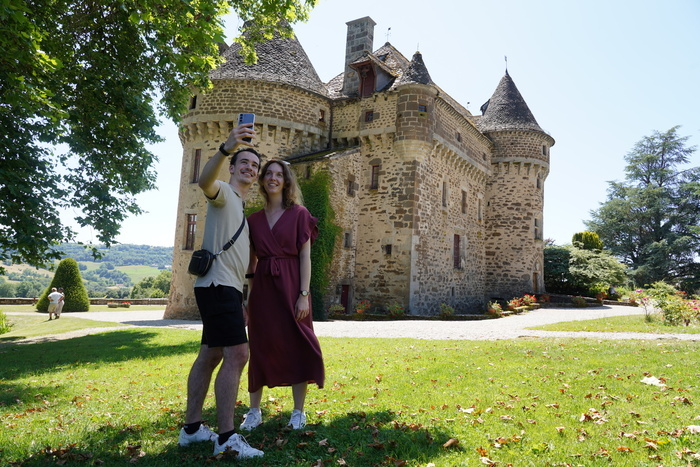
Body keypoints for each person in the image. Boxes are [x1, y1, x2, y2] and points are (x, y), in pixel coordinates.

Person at [177, 122, 264, 459]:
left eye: (255, 166)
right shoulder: (224, 194)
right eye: (244, 163)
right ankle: (226, 437)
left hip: (223, 289)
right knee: (238, 355)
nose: (251, 169)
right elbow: (204, 182)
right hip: (216, 286)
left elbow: (238, 260)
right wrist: (228, 146)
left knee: (210, 355)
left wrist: (241, 298)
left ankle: (193, 428)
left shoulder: (239, 205)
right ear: (232, 167)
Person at [239, 158, 325, 432]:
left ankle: (298, 412)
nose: (273, 178)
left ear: (286, 181)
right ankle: (254, 411)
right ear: (263, 181)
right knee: (261, 345)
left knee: (299, 343)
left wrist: (303, 294)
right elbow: (251, 264)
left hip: (292, 287)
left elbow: (305, 258)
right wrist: (248, 298)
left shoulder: (300, 214)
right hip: (263, 288)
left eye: (279, 175)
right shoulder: (252, 220)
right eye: (269, 174)